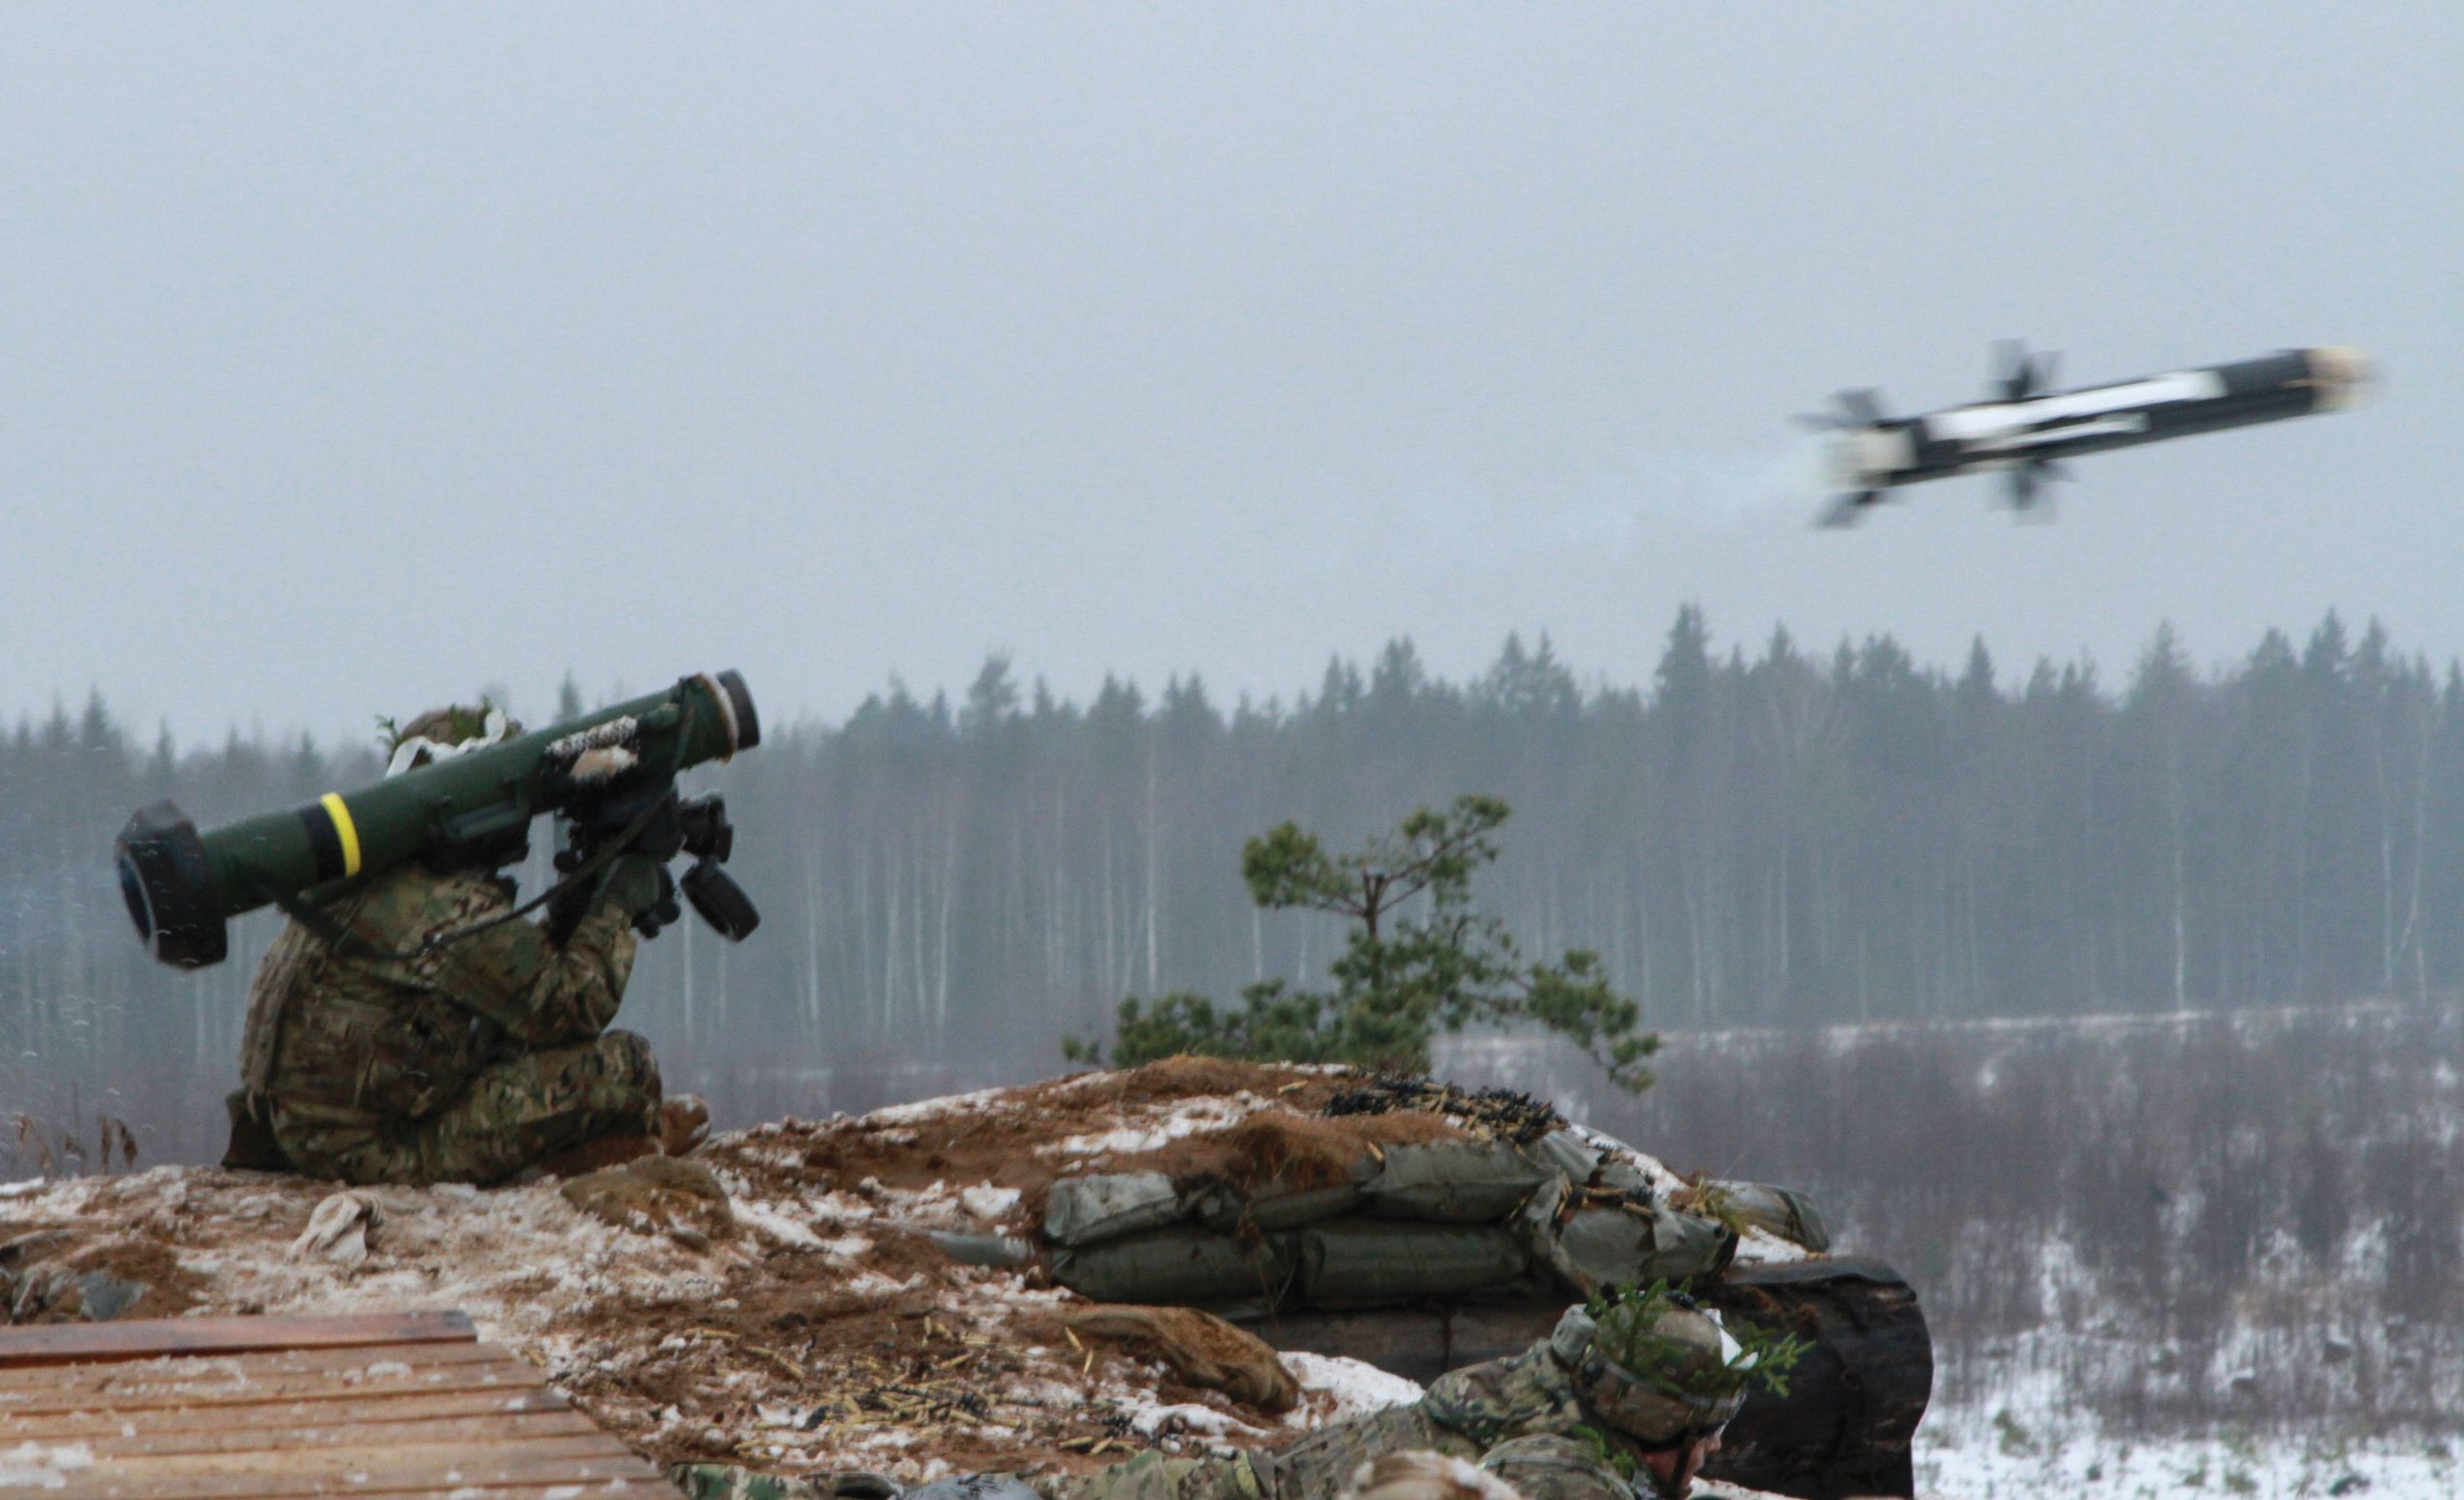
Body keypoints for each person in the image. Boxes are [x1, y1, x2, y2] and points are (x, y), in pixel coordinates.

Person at [225, 703, 692, 1186]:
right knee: (625, 1066)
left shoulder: (364, 878)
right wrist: (618, 896)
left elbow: (514, 989)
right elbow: (573, 1005)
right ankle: (590, 1154)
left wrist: (576, 907)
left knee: (512, 1041)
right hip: (374, 1152)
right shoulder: (440, 903)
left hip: (298, 1134)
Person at [1054, 1285, 1766, 1500]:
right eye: (1704, 1431)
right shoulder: (1558, 1474)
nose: (1713, 1448)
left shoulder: (1559, 1395)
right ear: (1654, 1419)